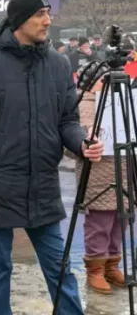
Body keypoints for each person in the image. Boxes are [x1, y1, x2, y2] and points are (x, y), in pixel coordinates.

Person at [0, 0, 105, 315]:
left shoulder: (58, 65)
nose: (48, 21)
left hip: (43, 185)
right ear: (19, 20)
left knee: (59, 267)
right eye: (40, 14)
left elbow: (67, 121)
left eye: (48, 13)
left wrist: (82, 143)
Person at [73, 67, 127, 295]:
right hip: (97, 174)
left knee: (120, 221)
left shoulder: (121, 102)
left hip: (125, 172)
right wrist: (86, 143)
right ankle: (95, 269)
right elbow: (71, 143)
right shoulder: (81, 105)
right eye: (102, 80)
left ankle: (112, 265)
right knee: (99, 224)